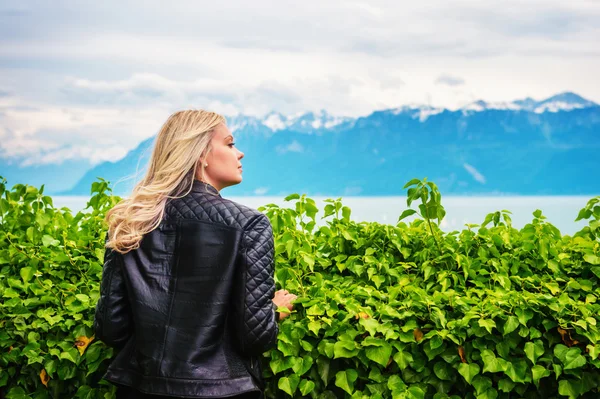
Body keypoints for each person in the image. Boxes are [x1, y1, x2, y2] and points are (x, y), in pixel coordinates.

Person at [93, 110, 297, 398]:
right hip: (223, 391)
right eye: (229, 143)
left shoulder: (131, 222)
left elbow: (110, 329)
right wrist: (276, 309)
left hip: (139, 387)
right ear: (201, 153)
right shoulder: (249, 224)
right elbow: (254, 338)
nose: (240, 153)